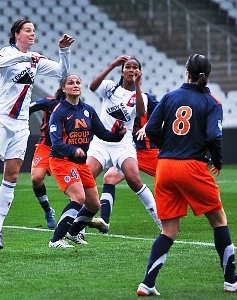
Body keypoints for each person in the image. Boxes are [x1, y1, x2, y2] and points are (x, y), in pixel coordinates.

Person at [137, 54, 237, 296]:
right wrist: (218, 160)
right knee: (218, 220)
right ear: (207, 75)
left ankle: (147, 283)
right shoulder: (212, 102)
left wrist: (167, 147)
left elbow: (149, 129)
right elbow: (214, 136)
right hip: (192, 166)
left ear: (187, 72)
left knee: (168, 230)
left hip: (165, 167)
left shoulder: (170, 96)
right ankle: (231, 280)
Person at [0, 19, 74, 249]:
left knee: (11, 175)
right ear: (16, 34)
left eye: (34, 31)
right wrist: (26, 57)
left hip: (21, 124)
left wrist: (64, 50)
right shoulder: (6, 53)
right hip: (0, 119)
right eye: (28, 30)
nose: (33, 34)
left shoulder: (36, 59)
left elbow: (63, 72)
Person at [48, 74, 126, 248]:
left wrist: (117, 135)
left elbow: (103, 134)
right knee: (78, 197)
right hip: (62, 161)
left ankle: (73, 233)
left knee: (94, 204)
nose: (75, 85)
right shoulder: (59, 111)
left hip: (80, 163)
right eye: (70, 83)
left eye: (78, 82)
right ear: (64, 88)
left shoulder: (88, 110)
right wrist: (73, 149)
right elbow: (56, 143)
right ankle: (55, 240)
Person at [85, 55, 161, 233]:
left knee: (134, 180)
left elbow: (141, 111)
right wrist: (112, 64)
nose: (131, 70)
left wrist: (138, 85)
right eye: (128, 67)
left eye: (135, 67)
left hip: (123, 144)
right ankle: (81, 224)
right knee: (85, 180)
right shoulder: (110, 87)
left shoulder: (141, 96)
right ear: (122, 70)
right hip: (101, 142)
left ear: (139, 72)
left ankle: (160, 222)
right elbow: (92, 86)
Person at [95, 93, 160, 229]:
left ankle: (208, 201)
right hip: (130, 151)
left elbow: (162, 112)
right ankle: (104, 220)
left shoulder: (147, 99)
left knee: (174, 180)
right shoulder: (118, 100)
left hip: (148, 152)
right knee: (109, 177)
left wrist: (146, 127)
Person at [28, 90, 63, 228]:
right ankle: (48, 210)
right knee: (36, 178)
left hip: (67, 148)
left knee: (74, 185)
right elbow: (28, 108)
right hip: (46, 145)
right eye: (70, 83)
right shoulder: (50, 102)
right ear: (63, 88)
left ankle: (77, 218)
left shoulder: (80, 107)